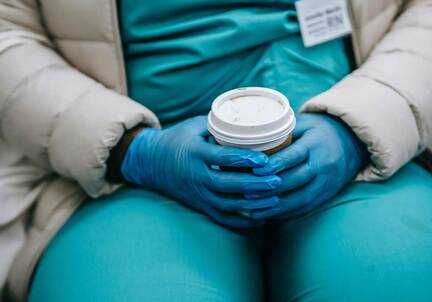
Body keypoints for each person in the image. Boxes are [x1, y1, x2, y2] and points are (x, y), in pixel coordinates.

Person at [0, 0, 431, 301]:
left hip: (366, 158)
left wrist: (358, 128)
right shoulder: (138, 161)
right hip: (132, 183)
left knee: (392, 278)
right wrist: (133, 150)